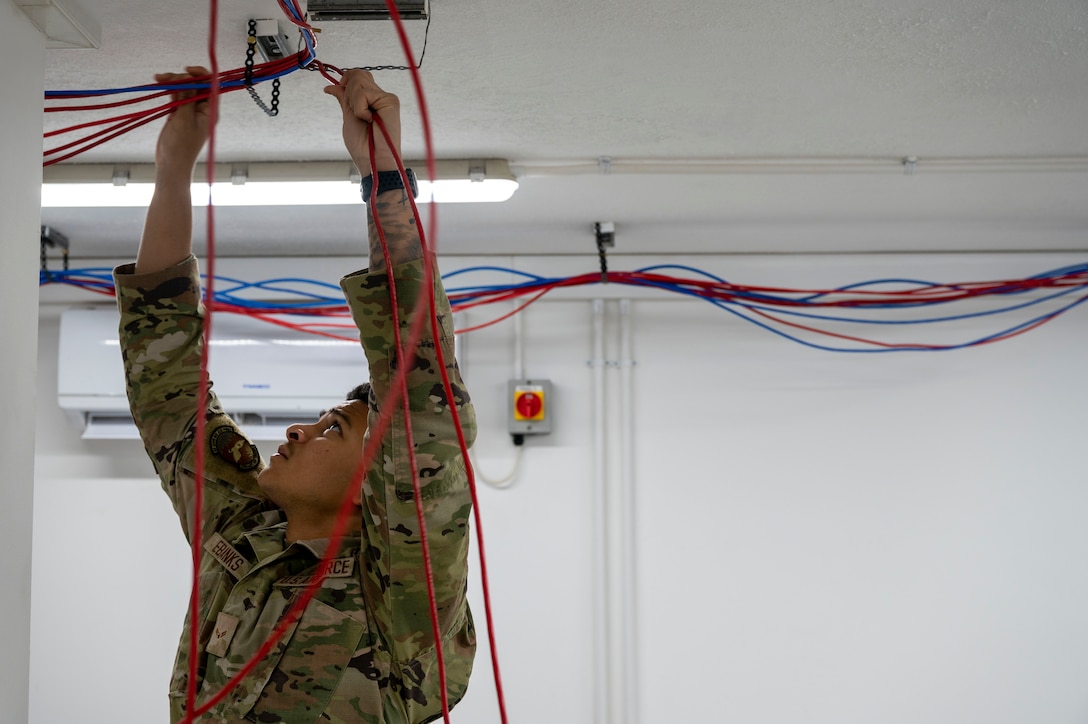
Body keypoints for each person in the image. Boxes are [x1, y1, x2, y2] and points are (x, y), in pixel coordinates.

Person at [114, 66, 476, 723]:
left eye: (333, 428)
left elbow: (418, 394)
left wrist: (384, 181)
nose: (296, 433)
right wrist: (173, 167)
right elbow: (165, 382)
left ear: (379, 477)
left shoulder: (401, 597)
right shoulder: (242, 528)